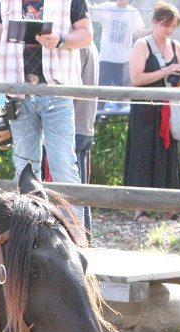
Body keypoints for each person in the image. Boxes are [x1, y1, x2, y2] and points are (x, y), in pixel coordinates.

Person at [0, 0, 94, 219]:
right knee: (25, 170)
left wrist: (60, 40)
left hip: (57, 92)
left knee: (64, 166)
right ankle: (29, 233)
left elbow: (86, 34)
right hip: (18, 93)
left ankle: (75, 236)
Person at [124, 1, 180, 222]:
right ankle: (140, 208)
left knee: (168, 156)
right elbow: (136, 78)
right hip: (146, 110)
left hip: (167, 109)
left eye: (173, 27)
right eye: (165, 26)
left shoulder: (176, 46)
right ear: (155, 23)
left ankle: (169, 207)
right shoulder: (142, 45)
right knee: (143, 156)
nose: (169, 31)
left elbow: (176, 80)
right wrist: (165, 71)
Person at [90, 0, 148, 101]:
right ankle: (99, 112)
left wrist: (153, 30)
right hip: (106, 58)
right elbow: (90, 13)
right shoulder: (107, 7)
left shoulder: (132, 12)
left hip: (124, 60)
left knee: (121, 91)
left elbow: (137, 32)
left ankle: (120, 108)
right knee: (101, 89)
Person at [73, 42, 98, 231]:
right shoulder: (89, 44)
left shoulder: (78, 45)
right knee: (80, 191)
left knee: (74, 192)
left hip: (73, 125)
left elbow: (72, 85)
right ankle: (84, 236)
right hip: (84, 123)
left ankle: (80, 237)